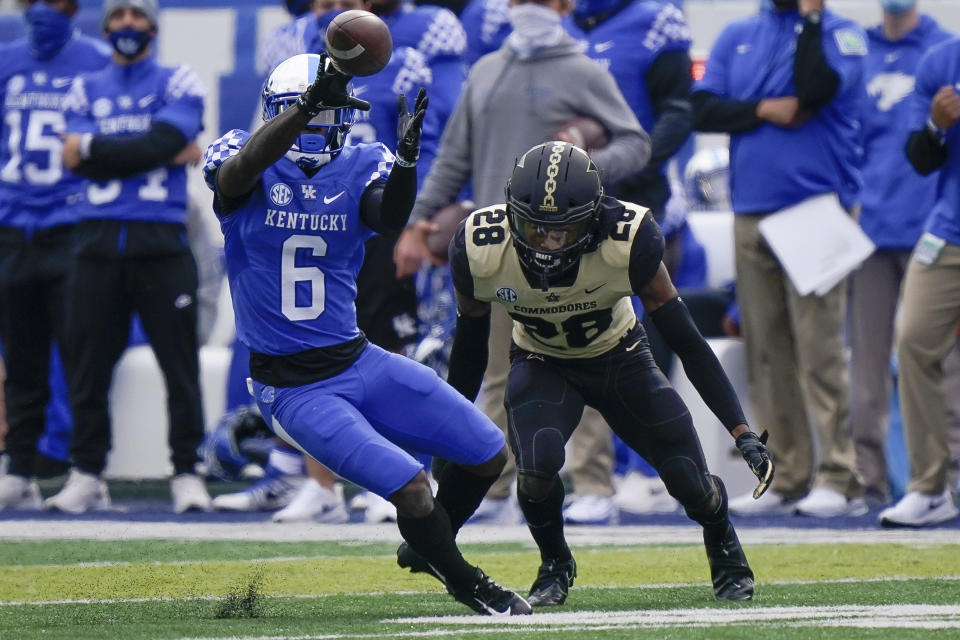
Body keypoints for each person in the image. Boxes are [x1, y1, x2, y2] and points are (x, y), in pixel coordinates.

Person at [202, 51, 530, 615]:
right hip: (293, 386)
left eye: (328, 114)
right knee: (409, 488)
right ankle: (466, 580)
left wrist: (406, 164)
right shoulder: (243, 159)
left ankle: (430, 545)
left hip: (356, 359)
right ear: (282, 112)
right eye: (308, 113)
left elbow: (389, 218)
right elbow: (235, 176)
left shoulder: (360, 163)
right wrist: (308, 104)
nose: (319, 126)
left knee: (488, 452)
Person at [399, 141, 772, 605]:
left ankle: (723, 542)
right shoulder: (478, 246)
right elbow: (470, 351)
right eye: (533, 227)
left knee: (687, 481)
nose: (546, 242)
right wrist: (447, 434)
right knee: (535, 467)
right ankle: (554, 563)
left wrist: (740, 431)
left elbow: (687, 341)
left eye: (561, 229)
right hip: (542, 359)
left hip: (621, 356)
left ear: (594, 219)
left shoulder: (629, 238)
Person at [394, 0, 650, 524]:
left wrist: (585, 167)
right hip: (501, 250)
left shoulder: (582, 70)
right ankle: (493, 485)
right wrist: (417, 223)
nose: (527, 6)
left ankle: (594, 485)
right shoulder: (486, 70)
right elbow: (454, 160)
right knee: (495, 372)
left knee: (591, 364)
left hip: (574, 249)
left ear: (564, 6)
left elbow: (636, 143)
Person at [691, 0, 867, 517]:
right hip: (751, 211)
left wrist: (811, 20)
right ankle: (788, 473)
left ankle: (839, 471)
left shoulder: (841, 34)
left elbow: (817, 89)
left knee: (820, 349)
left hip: (815, 206)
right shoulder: (737, 34)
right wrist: (764, 110)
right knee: (767, 351)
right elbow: (702, 107)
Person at [43, 0, 211, 514]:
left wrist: (96, 148)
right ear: (107, 26)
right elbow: (74, 156)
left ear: (153, 28)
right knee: (87, 365)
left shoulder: (178, 79)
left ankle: (186, 470)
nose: (127, 26)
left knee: (179, 364)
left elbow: (165, 139)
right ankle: (88, 471)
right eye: (118, 18)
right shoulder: (84, 85)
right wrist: (155, 148)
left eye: (137, 18)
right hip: (96, 244)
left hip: (161, 242)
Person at [561, 0, 695, 521]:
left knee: (649, 343)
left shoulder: (654, 18)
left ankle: (647, 468)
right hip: (573, 209)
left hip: (642, 200)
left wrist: (635, 162)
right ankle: (595, 473)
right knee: (585, 336)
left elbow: (678, 111)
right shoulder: (563, 27)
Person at [0, 0, 110, 511]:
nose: (48, 8)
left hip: (72, 226)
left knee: (81, 355)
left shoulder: (98, 60)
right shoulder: (6, 60)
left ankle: (87, 470)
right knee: (21, 356)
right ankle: (19, 466)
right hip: (12, 226)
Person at [852, 0, 954, 506]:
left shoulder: (935, 46)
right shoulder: (863, 51)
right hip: (876, 230)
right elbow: (855, 141)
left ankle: (950, 476)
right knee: (879, 365)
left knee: (946, 364)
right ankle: (879, 484)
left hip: (927, 228)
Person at [881, 35, 960, 527]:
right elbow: (919, 157)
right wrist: (937, 124)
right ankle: (930, 486)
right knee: (911, 341)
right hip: (949, 231)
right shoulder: (942, 60)